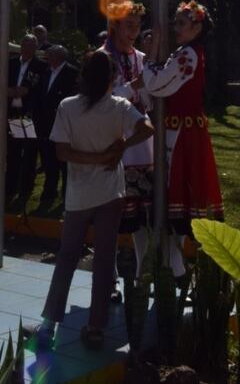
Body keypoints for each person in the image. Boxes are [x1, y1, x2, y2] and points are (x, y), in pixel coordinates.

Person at [33, 51, 153, 352]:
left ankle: (50, 321)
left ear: (83, 76)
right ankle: (96, 326)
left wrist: (96, 157)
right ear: (112, 78)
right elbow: (147, 128)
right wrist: (119, 147)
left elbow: (62, 153)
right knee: (104, 259)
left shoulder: (68, 107)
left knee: (67, 256)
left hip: (79, 195)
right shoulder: (120, 106)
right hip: (111, 194)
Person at [143, 0, 224, 275]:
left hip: (182, 133)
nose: (175, 27)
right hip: (181, 129)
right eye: (175, 22)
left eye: (181, 23)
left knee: (177, 190)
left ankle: (176, 269)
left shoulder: (187, 55)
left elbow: (156, 84)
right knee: (174, 194)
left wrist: (151, 55)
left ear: (197, 26)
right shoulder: (186, 52)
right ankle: (175, 266)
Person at [102, 0, 153, 275]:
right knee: (110, 214)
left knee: (143, 216)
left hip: (143, 144)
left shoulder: (141, 59)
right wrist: (135, 86)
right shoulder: (102, 58)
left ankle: (141, 273)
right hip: (114, 140)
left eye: (138, 25)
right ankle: (109, 278)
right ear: (115, 25)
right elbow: (105, 99)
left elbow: (149, 99)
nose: (134, 31)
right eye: (129, 25)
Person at [5, 33, 48, 209]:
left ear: (36, 48)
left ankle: (26, 186)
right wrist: (8, 91)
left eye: (32, 45)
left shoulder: (41, 66)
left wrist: (27, 91)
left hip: (28, 113)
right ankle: (10, 185)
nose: (28, 48)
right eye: (25, 44)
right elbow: (2, 82)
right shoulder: (12, 63)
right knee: (13, 151)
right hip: (12, 111)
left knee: (29, 152)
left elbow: (41, 89)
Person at [34, 44, 79, 207]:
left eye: (50, 54)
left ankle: (67, 195)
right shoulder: (46, 72)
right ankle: (49, 191)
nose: (47, 57)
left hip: (62, 124)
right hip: (45, 124)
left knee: (64, 162)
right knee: (48, 160)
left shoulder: (72, 73)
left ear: (59, 56)